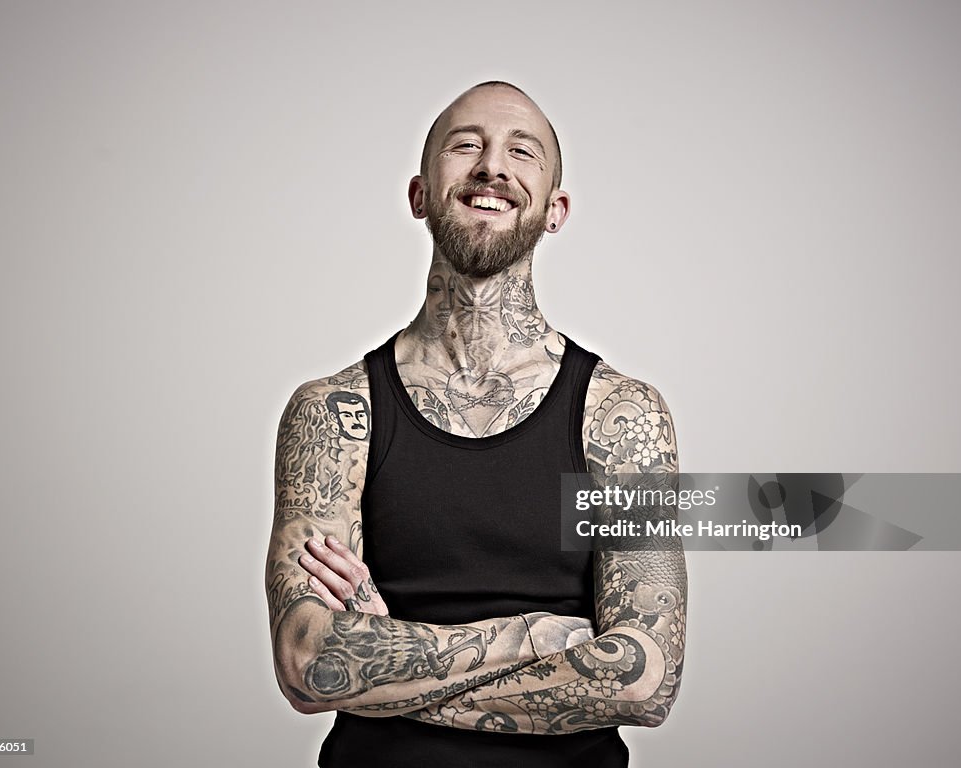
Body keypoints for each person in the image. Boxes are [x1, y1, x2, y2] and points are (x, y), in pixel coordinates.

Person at [266, 81, 687, 767]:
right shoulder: (335, 412)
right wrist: (542, 639)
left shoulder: (623, 415)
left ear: (556, 210)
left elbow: (644, 676)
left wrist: (390, 655)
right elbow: (308, 658)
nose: (492, 166)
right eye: (466, 146)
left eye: (522, 151)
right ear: (420, 194)